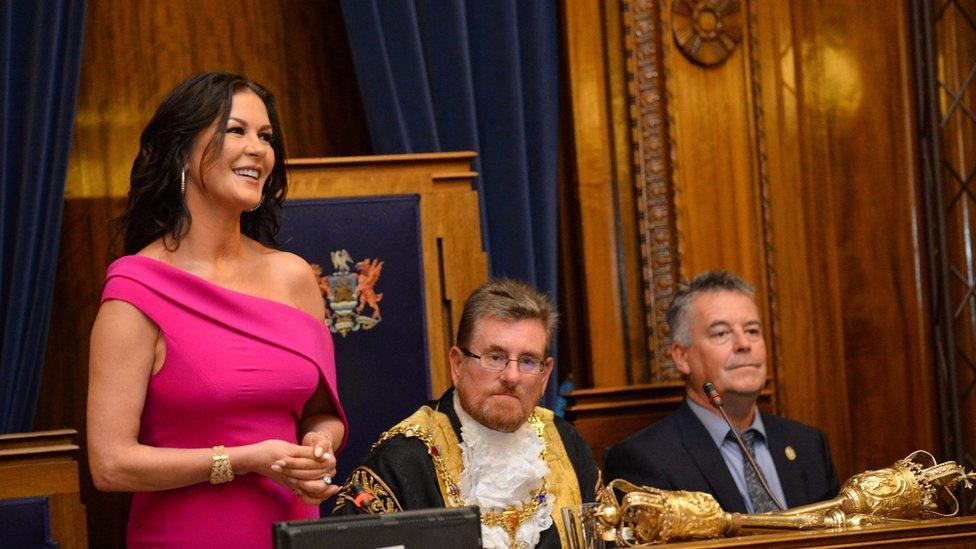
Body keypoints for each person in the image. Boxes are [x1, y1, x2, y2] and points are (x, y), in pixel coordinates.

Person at [86, 72, 348, 548]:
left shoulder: (295, 277)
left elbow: (320, 414)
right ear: (183, 148)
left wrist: (318, 448)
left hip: (295, 532)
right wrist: (244, 460)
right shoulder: (136, 290)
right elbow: (110, 465)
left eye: (266, 136)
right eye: (236, 130)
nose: (258, 149)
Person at [333, 279, 600, 549]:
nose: (512, 376)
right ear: (458, 365)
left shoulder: (566, 444)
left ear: (545, 376)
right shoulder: (402, 461)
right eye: (495, 357)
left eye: (528, 361)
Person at [604, 270, 838, 514]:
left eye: (752, 330)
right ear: (682, 357)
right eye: (721, 333)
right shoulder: (645, 460)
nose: (744, 344)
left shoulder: (809, 445)